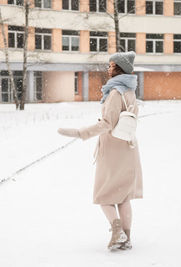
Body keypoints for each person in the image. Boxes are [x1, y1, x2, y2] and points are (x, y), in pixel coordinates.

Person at [57, 51, 143, 251]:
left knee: (104, 195)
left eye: (111, 65)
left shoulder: (115, 92)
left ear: (118, 68)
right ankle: (126, 238)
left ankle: (118, 233)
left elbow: (107, 124)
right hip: (128, 147)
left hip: (113, 150)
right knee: (123, 197)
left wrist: (80, 133)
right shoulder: (130, 91)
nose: (108, 68)